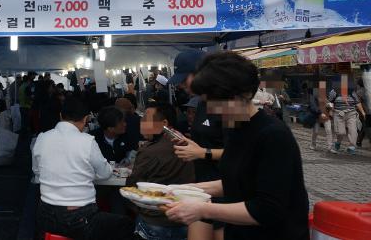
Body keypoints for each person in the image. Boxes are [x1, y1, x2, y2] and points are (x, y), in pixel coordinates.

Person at [165, 52, 309, 239]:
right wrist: (188, 190)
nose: (212, 111)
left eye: (217, 102)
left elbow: (267, 209)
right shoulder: (235, 129)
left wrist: (203, 209)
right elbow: (237, 180)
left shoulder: (274, 135)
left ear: (242, 94)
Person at [32, 96, 133, 239]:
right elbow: (104, 173)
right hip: (79, 218)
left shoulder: (42, 138)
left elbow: (37, 172)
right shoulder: (87, 141)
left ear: (61, 116)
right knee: (126, 224)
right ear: (85, 119)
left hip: (45, 215)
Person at [168, 49, 225, 240]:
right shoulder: (200, 104)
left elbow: (243, 153)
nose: (182, 85)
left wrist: (201, 152)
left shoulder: (229, 105)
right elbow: (206, 141)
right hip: (202, 190)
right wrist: (189, 143)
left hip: (227, 191)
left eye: (185, 79)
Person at [127, 103, 195, 240]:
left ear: (164, 123)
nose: (142, 123)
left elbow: (132, 185)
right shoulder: (189, 144)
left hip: (155, 220)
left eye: (146, 119)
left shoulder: (150, 151)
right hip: (184, 217)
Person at [329, 82, 366, 155]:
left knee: (353, 131)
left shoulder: (352, 92)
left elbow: (357, 103)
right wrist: (330, 110)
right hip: (338, 113)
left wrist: (363, 112)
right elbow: (330, 102)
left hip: (351, 113)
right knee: (341, 132)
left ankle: (351, 148)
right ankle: (337, 144)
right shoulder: (334, 92)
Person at [356, 78, 371, 148]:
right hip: (365, 112)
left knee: (365, 127)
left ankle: (359, 141)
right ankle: (359, 141)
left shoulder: (359, 92)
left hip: (363, 112)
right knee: (366, 127)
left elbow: (358, 103)